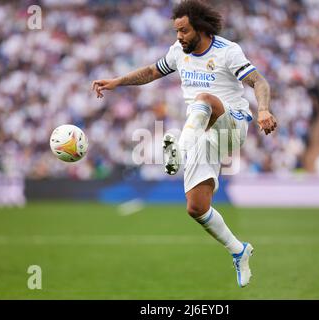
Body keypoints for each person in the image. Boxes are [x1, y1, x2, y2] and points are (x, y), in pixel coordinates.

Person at [92, 0, 277, 287]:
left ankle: (177, 150)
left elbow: (260, 82)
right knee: (196, 207)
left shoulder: (228, 51)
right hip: (202, 134)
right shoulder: (179, 51)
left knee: (204, 99)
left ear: (200, 28)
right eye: (176, 30)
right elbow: (152, 72)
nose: (179, 36)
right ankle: (239, 250)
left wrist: (263, 109)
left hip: (231, 123)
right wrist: (116, 81)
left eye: (184, 30)